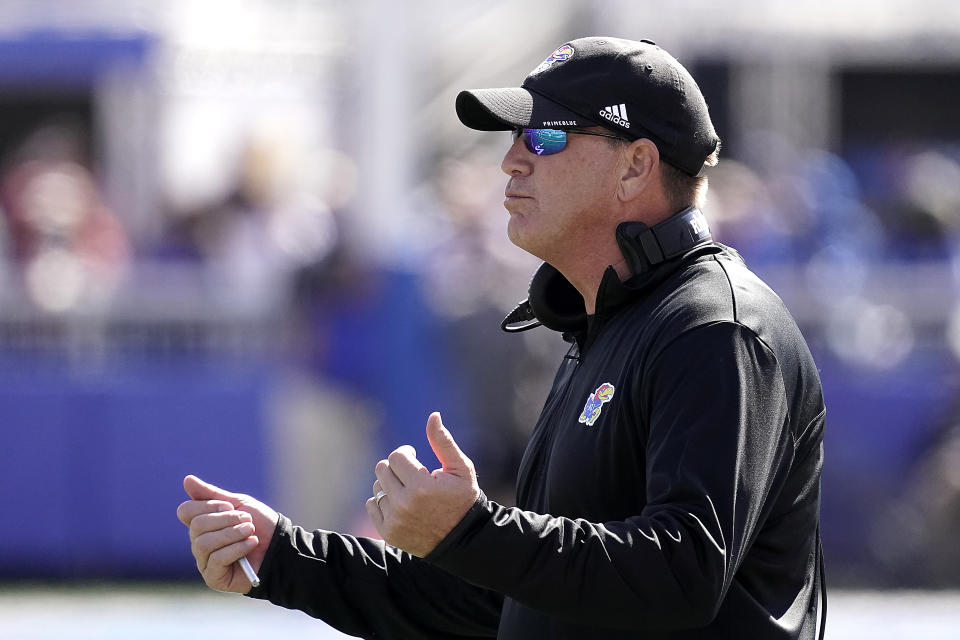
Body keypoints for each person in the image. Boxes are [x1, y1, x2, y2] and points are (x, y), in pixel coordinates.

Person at [177, 36, 826, 639]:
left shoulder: (714, 329)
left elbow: (680, 580)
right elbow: (516, 602)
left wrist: (475, 532)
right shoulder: (611, 325)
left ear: (635, 167)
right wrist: (286, 557)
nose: (512, 160)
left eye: (545, 136)